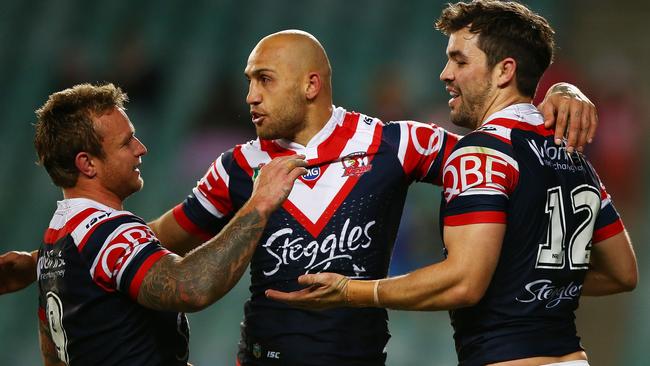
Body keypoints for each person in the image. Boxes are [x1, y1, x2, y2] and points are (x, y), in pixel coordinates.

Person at [1, 31, 598, 365]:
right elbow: (152, 242)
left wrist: (553, 96)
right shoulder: (239, 166)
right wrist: (43, 260)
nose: (250, 97)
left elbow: (502, 161)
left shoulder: (397, 143)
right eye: (247, 83)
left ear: (311, 85)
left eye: (263, 80)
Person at [265, 3, 638, 366]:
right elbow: (622, 272)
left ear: (504, 71)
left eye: (460, 60)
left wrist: (353, 292)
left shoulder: (480, 151)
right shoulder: (573, 157)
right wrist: (534, 278)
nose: (445, 73)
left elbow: (463, 283)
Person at [31, 83, 306, 365]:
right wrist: (259, 204)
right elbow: (191, 288)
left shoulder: (53, 241)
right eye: (126, 142)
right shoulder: (108, 233)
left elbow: (52, 354)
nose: (141, 149)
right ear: (87, 164)